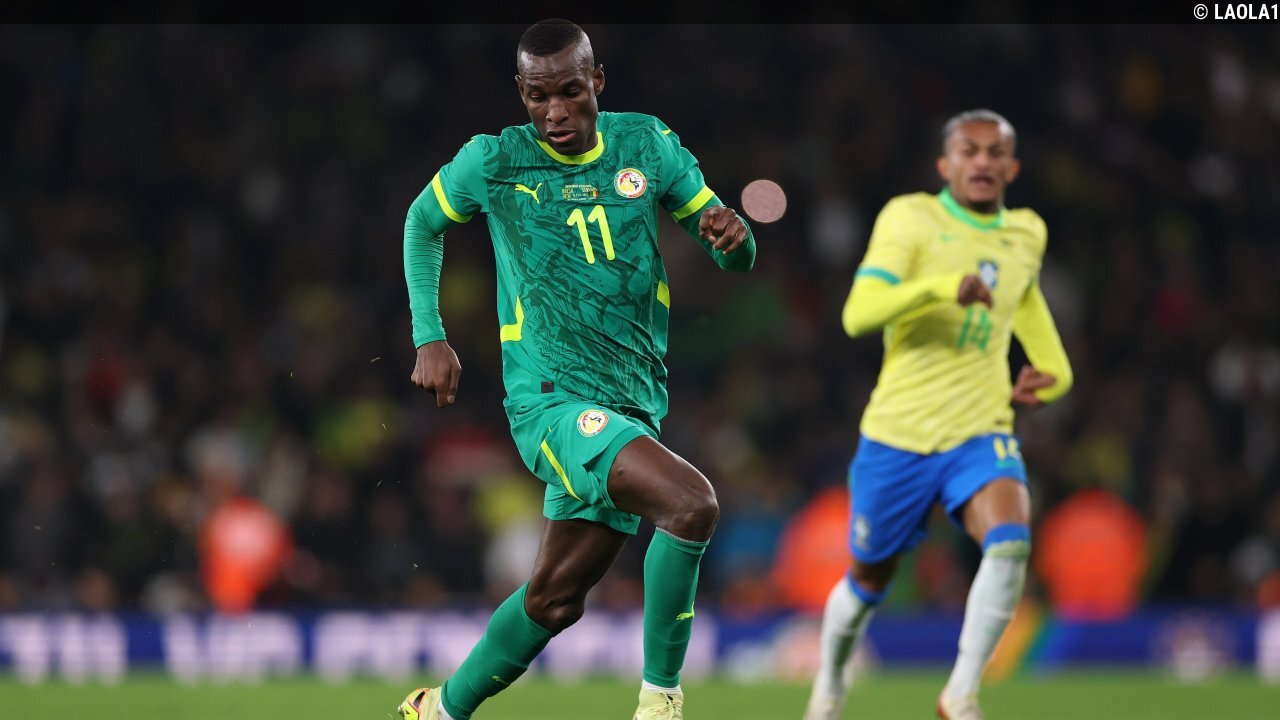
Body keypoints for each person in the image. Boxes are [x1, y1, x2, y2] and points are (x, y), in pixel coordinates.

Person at [397, 20, 756, 720]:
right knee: (691, 504)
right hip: (552, 402)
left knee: (555, 599)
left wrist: (733, 239)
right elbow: (421, 223)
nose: (554, 112)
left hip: (632, 404)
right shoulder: (494, 161)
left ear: (597, 80)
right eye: (538, 97)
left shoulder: (646, 145)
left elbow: (732, 253)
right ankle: (661, 704)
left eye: (569, 91)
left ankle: (436, 711)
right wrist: (429, 336)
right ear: (521, 93)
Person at [803, 109, 1073, 720]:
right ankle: (831, 681)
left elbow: (1029, 312)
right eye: (968, 151)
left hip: (981, 429)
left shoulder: (1026, 233)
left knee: (1010, 542)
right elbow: (858, 313)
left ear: (1012, 168)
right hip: (898, 434)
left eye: (994, 152)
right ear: (945, 165)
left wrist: (1053, 379)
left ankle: (961, 694)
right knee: (869, 581)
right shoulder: (911, 218)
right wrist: (940, 287)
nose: (982, 161)